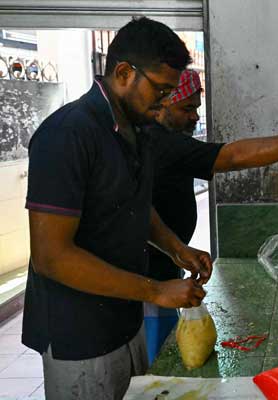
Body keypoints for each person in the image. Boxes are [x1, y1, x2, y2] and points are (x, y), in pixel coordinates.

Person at [22, 18, 214, 400]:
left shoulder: (135, 131)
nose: (164, 102)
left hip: (125, 319)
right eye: (160, 90)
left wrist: (178, 249)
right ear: (124, 72)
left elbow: (134, 207)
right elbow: (51, 257)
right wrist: (157, 290)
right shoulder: (68, 134)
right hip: (78, 336)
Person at [142, 69, 278, 360]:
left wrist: (178, 250)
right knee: (158, 362)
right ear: (163, 102)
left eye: (196, 108)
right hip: (147, 282)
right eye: (187, 108)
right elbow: (231, 156)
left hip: (165, 271)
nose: (194, 117)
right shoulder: (157, 142)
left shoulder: (167, 142)